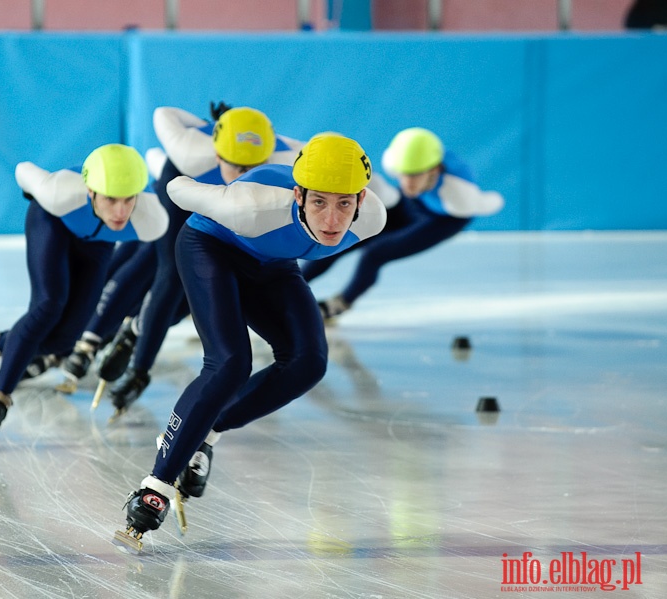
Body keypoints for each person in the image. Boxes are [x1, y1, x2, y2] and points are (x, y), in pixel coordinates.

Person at [114, 133, 387, 550]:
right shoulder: (252, 205)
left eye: (344, 203)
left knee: (308, 361)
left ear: (362, 200)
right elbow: (177, 188)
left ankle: (206, 432)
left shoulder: (373, 219)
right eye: (318, 202)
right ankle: (155, 483)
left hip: (271, 264)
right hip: (211, 246)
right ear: (298, 195)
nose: (331, 220)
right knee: (229, 363)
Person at [59, 103, 302, 414]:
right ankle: (131, 366)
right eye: (236, 166)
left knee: (207, 285)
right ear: (216, 154)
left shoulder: (289, 156)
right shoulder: (190, 151)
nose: (244, 174)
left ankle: (134, 330)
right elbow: (162, 112)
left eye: (253, 166)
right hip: (183, 186)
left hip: (230, 204)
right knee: (171, 273)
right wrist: (203, 123)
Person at [0, 144, 168, 440]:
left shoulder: (152, 220)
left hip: (96, 246)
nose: (121, 211)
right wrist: (33, 192)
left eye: (128, 199)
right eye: (110, 199)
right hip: (52, 224)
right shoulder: (60, 192)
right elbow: (23, 170)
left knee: (66, 339)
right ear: (91, 191)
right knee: (48, 306)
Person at [300, 127, 504, 320]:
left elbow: (491, 202)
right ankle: (291, 288)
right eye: (403, 174)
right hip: (414, 203)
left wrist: (489, 200)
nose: (408, 182)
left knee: (375, 254)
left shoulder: (460, 197)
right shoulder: (393, 163)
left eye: (415, 175)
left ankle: (339, 304)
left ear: (435, 171)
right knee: (342, 239)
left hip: (444, 219)